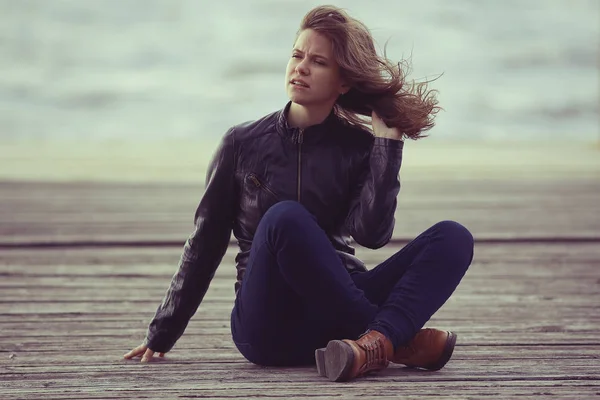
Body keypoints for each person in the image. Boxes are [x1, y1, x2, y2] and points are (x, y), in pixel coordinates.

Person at [124, 5, 474, 382]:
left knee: (453, 237)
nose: (301, 67)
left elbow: (372, 236)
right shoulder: (241, 143)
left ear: (343, 82)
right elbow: (205, 242)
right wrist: (163, 330)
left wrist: (386, 149)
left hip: (337, 315)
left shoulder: (358, 147)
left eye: (318, 61)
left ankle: (370, 344)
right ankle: (390, 340)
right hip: (268, 325)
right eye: (297, 55)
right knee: (283, 218)